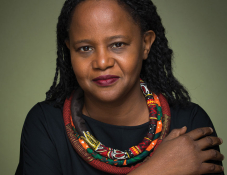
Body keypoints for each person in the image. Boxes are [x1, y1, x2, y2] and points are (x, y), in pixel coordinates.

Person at [15, 0, 224, 174]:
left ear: (146, 44)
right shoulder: (45, 123)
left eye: (118, 44)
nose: (102, 62)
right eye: (85, 48)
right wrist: (155, 170)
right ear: (70, 51)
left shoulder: (190, 124)